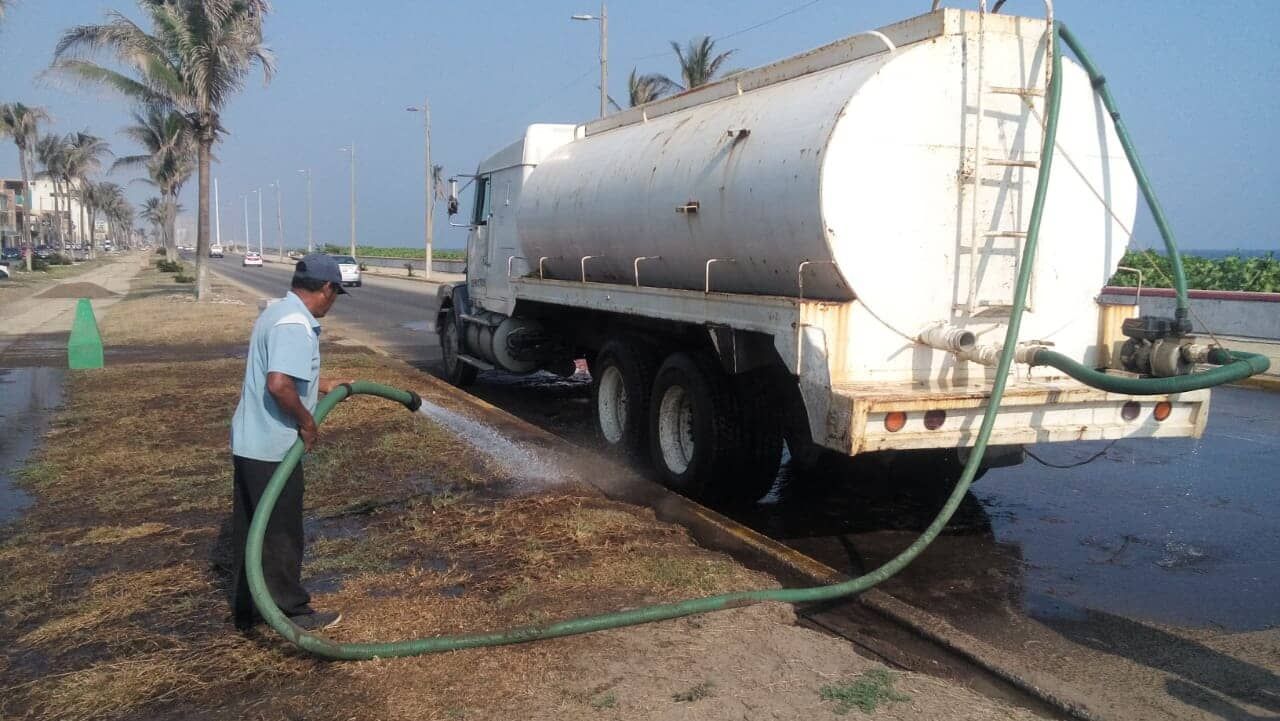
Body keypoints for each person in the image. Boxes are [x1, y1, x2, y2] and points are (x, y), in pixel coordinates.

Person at [228, 253, 350, 632]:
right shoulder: (296, 324)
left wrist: (321, 384)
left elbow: (282, 373)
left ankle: (249, 612)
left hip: (250, 441)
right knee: (280, 533)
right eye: (336, 293)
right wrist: (308, 423)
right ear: (327, 289)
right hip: (274, 447)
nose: (334, 301)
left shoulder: (277, 311)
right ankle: (291, 613)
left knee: (252, 530)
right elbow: (279, 383)